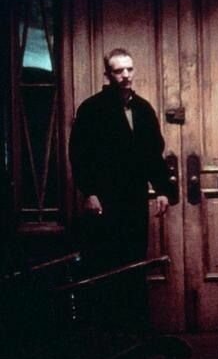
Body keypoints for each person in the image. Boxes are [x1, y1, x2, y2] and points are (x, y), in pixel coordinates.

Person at [69, 49, 172, 329]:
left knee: (134, 262)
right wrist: (89, 192)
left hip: (134, 199)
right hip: (104, 201)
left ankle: (134, 331)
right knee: (106, 264)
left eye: (129, 69)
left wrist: (162, 189)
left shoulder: (143, 109)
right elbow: (79, 154)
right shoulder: (92, 109)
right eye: (118, 71)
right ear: (108, 75)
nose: (126, 75)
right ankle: (106, 334)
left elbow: (153, 154)